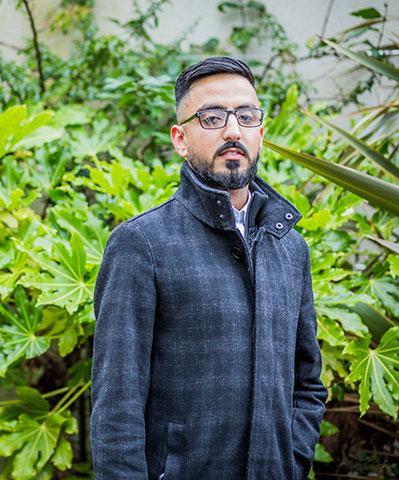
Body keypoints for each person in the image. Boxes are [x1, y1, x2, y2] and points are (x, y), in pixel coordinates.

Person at [90, 56, 328, 480]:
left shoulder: (290, 248)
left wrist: (291, 459)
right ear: (181, 139)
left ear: (260, 131)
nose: (233, 130)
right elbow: (116, 405)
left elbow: (307, 382)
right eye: (212, 117)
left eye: (246, 115)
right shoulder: (141, 245)